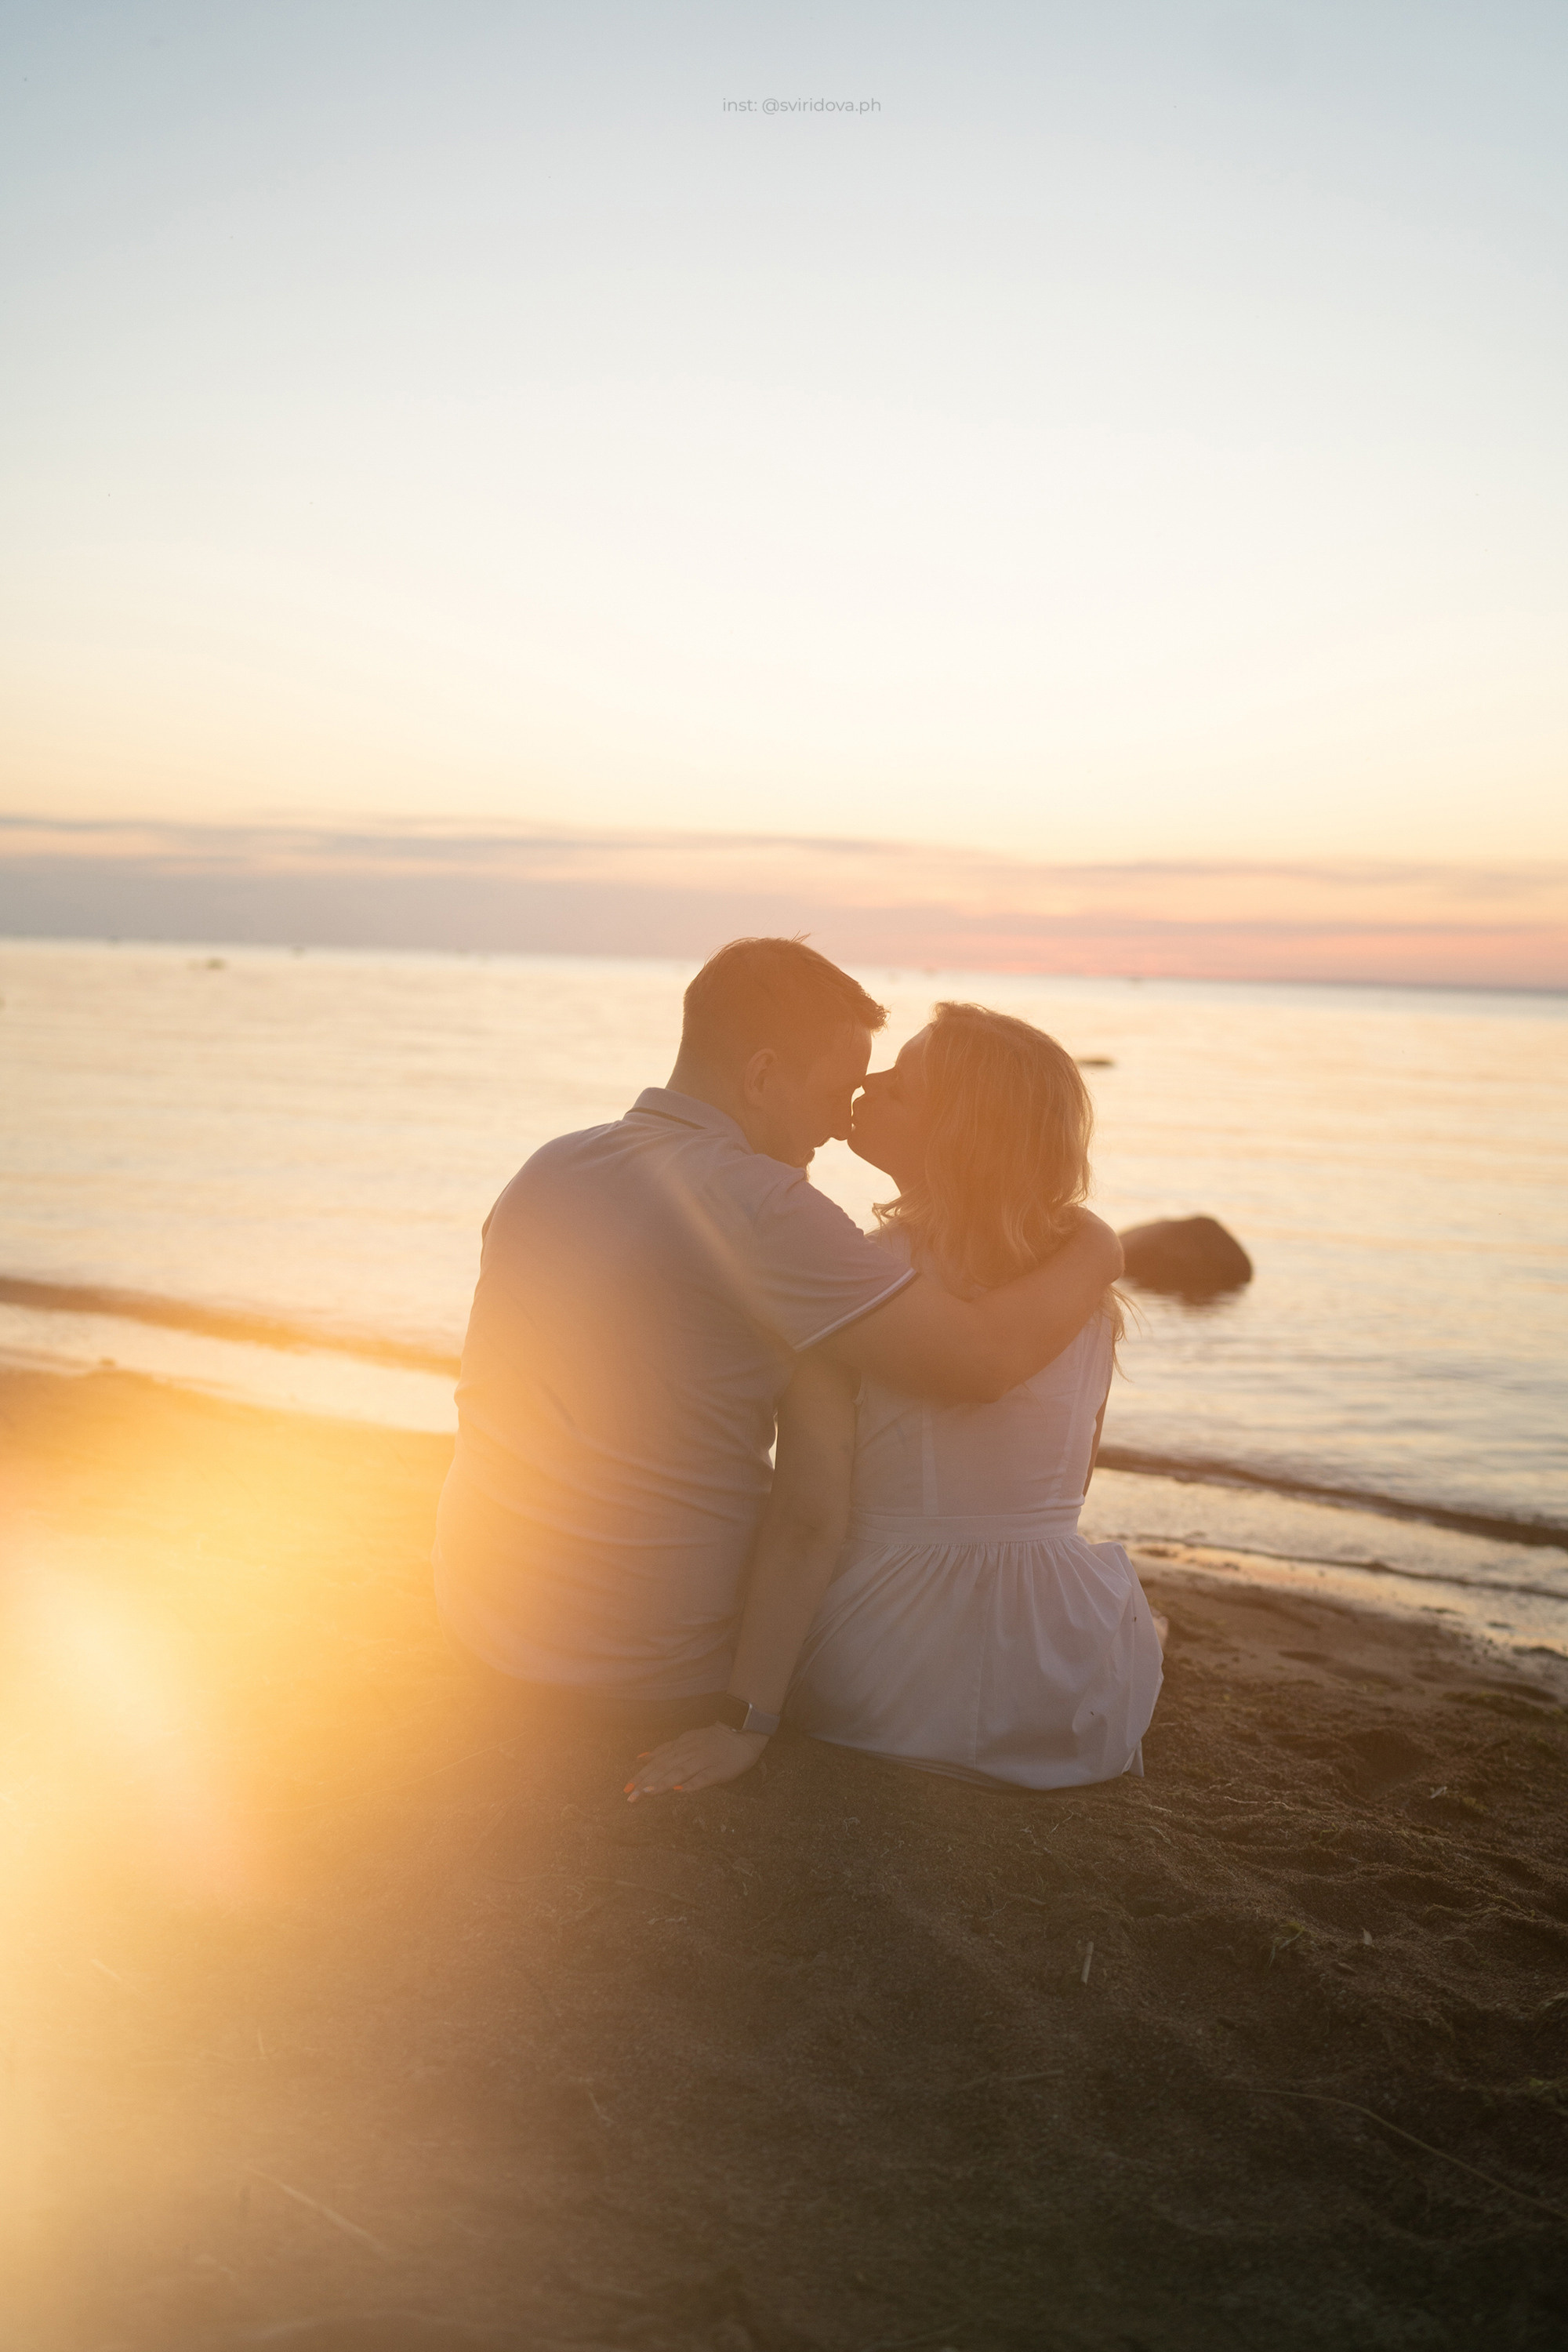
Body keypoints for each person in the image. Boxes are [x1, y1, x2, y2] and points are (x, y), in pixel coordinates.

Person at [434, 940, 1123, 1775]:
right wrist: (1099, 1246)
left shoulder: (548, 1167)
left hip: (482, 1621)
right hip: (645, 1666)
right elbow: (980, 1362)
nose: (843, 1122)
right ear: (761, 1077)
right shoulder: (764, 1208)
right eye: (838, 1092)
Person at [631, 1000, 1161, 1801]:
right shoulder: (1084, 1296)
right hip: (1061, 1676)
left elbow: (809, 1521)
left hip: (891, 1673)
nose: (864, 1085)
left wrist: (745, 1723)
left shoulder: (861, 1283)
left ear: (957, 1133)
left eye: (899, 1084)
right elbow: (1068, 1491)